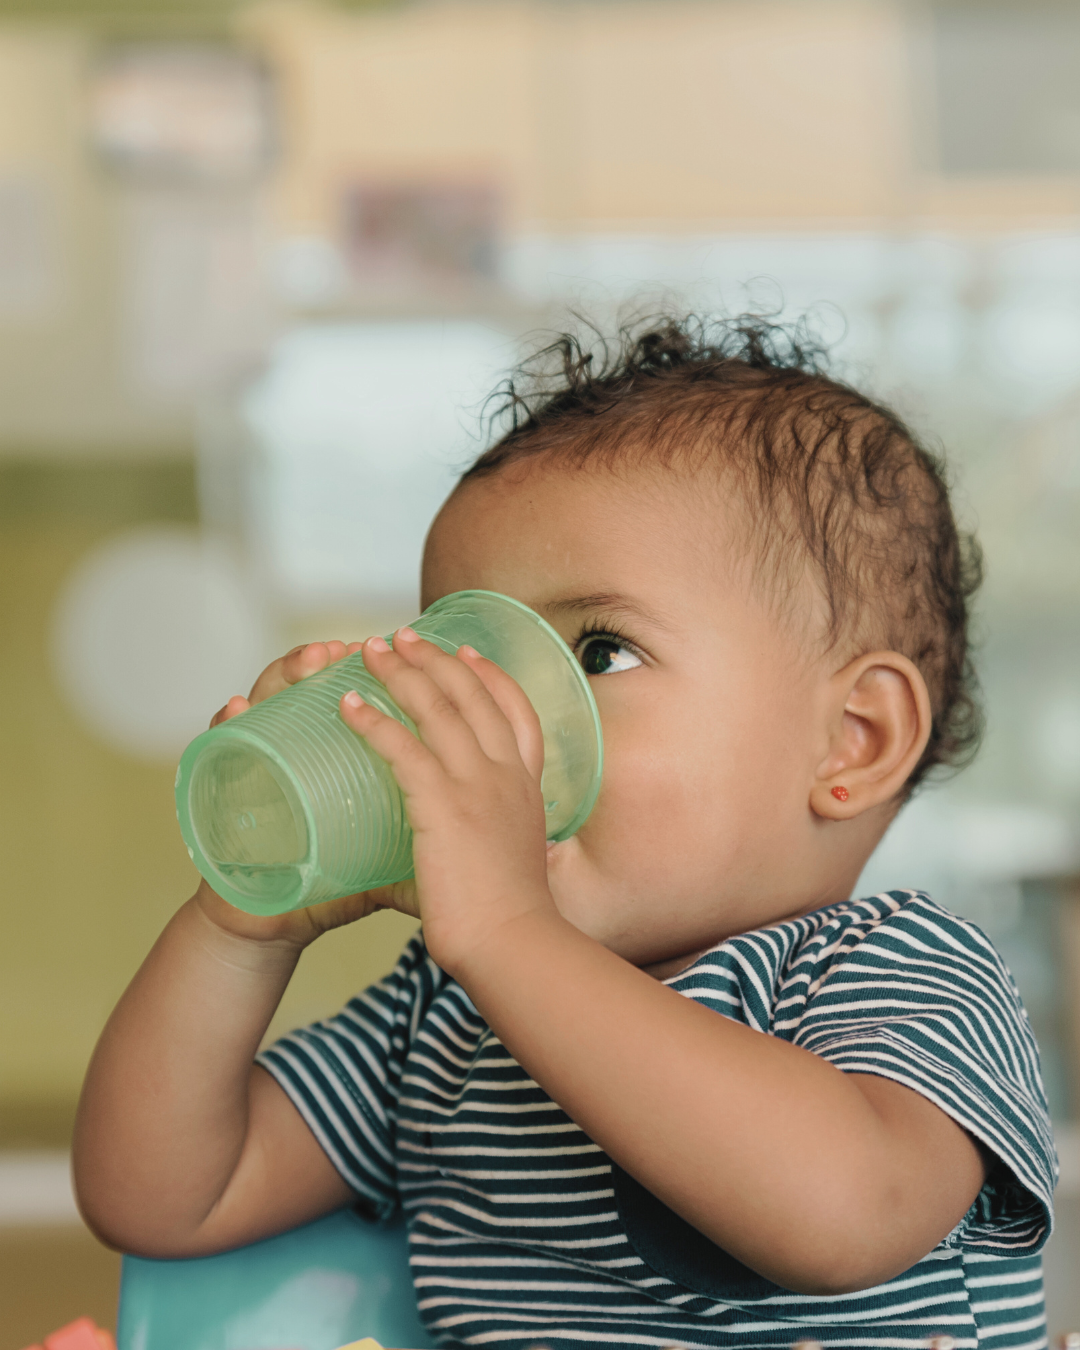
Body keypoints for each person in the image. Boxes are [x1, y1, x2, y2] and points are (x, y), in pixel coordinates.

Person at [73, 314, 1057, 1350]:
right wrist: (240, 930)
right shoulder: (447, 1017)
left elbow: (844, 1217)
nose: (510, 723)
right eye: (472, 660)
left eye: (597, 653)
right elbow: (165, 1197)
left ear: (853, 742)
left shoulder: (900, 968)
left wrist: (506, 933)